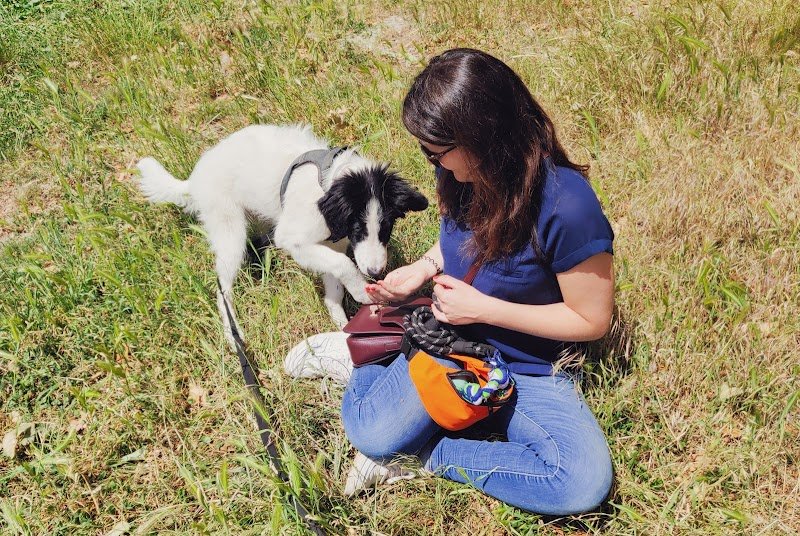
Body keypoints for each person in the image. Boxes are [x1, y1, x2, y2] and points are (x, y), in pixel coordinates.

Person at [284, 48, 615, 515]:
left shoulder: (569, 207)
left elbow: (591, 318)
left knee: (579, 483)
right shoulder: (460, 175)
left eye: (436, 151)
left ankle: (420, 456)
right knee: (370, 431)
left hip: (530, 366)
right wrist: (423, 268)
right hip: (450, 342)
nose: (433, 163)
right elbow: (458, 244)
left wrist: (483, 310)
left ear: (484, 136)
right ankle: (361, 360)